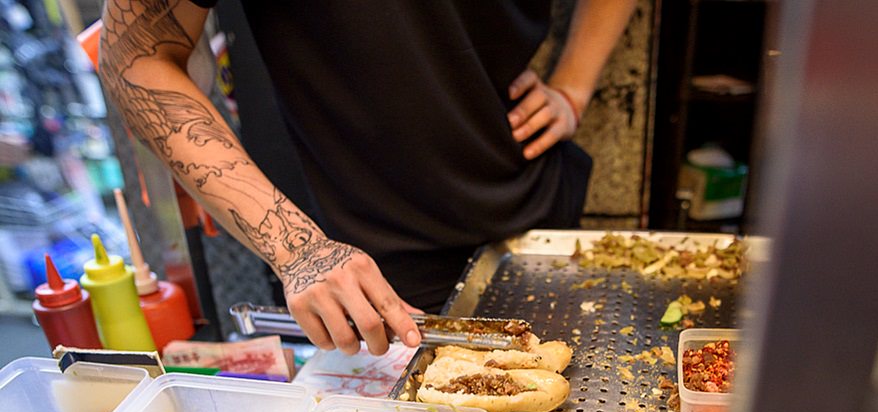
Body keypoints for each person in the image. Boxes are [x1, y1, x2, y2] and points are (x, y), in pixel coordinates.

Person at [99, 0, 637, 355]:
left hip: (534, 214)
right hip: (366, 268)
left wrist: (574, 86)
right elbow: (133, 57)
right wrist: (300, 250)